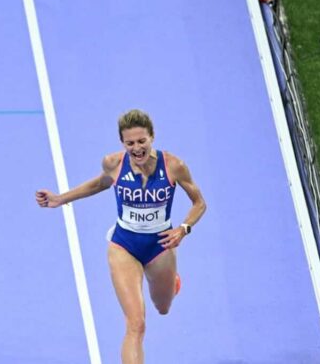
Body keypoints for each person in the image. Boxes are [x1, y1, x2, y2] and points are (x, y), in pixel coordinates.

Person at [35, 109, 206, 364]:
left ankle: (171, 283)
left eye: (141, 141)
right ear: (122, 143)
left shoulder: (173, 166)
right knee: (136, 324)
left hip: (160, 247)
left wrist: (183, 229)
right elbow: (98, 184)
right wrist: (60, 198)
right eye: (130, 143)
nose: (137, 149)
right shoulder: (113, 163)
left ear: (152, 137)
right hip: (124, 246)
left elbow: (199, 203)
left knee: (163, 307)